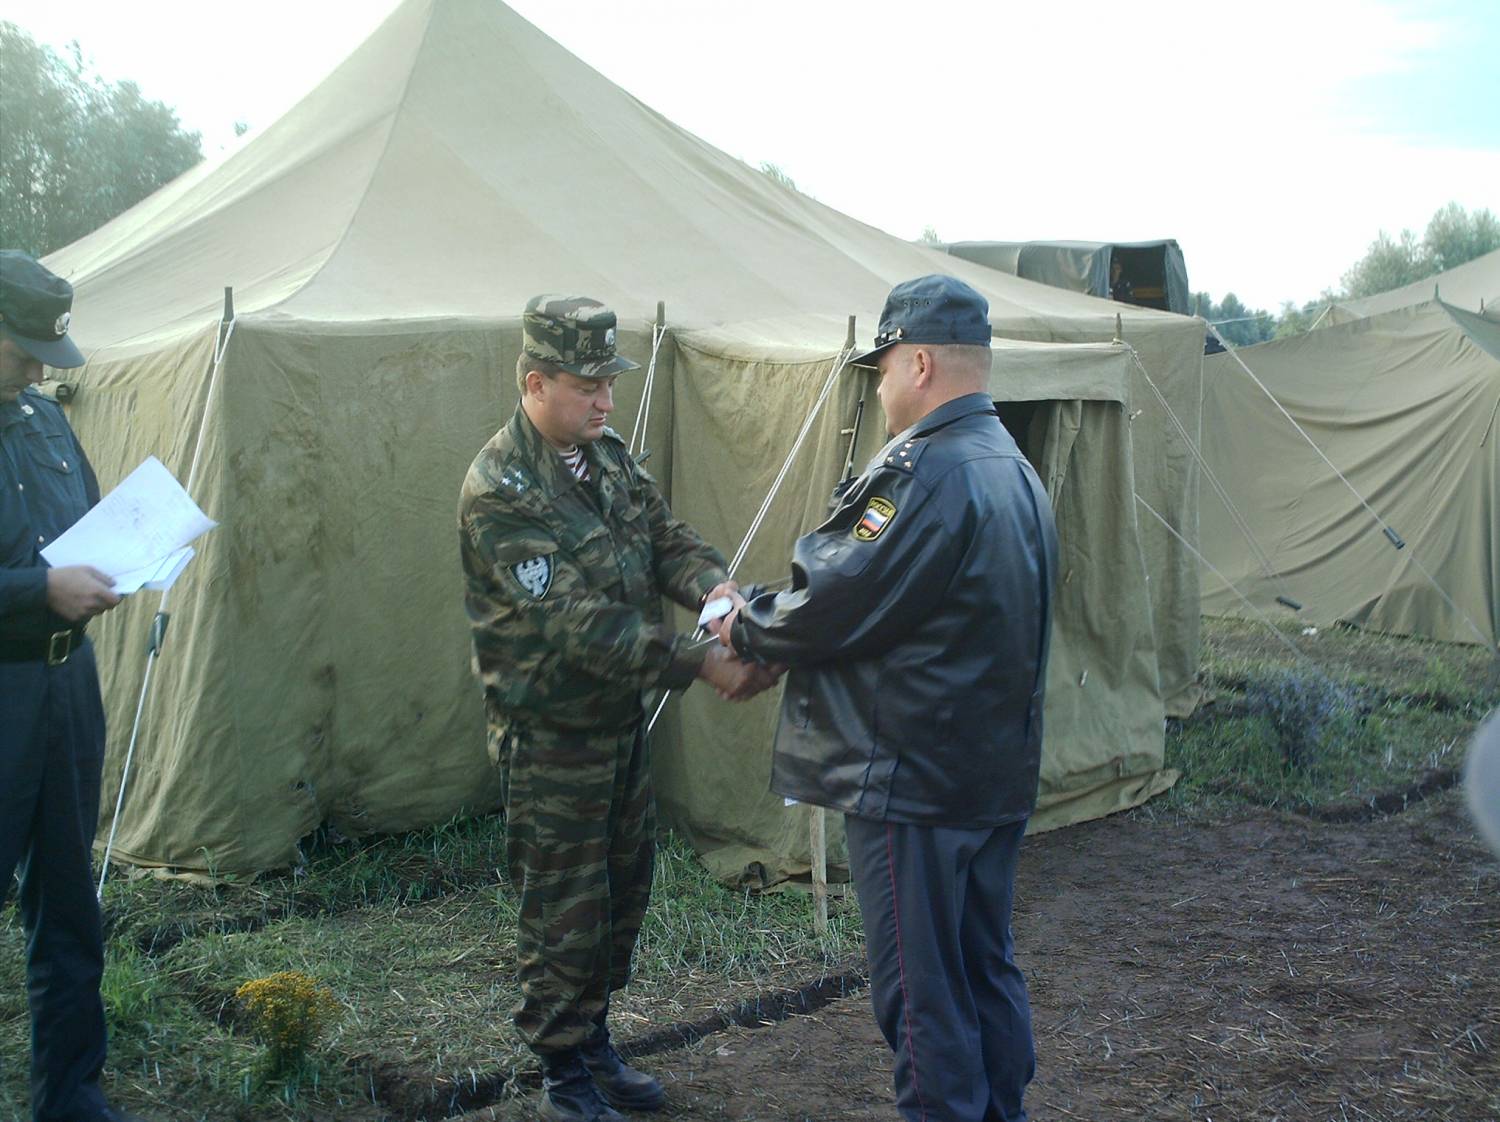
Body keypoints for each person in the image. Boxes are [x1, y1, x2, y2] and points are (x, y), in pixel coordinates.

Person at [710, 274, 1059, 1122]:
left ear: (923, 362)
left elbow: (834, 596)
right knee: (984, 971)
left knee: (923, 995)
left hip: (915, 787)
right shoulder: (1015, 469)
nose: (878, 383)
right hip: (987, 779)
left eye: (885, 365)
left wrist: (743, 627)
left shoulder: (927, 472)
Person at [458, 295, 773, 1122]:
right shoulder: (500, 488)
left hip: (619, 723)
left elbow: (665, 537)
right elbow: (576, 624)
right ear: (535, 382)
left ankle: (594, 1041)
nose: (605, 399)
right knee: (564, 907)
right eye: (587, 383)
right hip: (553, 733)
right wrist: (700, 661)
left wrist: (714, 586)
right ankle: (563, 1071)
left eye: (610, 382)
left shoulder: (607, 458)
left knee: (622, 890)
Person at [1, 251, 144, 1122]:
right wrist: (34, 591)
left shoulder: (48, 425)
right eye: (20, 350)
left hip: (65, 687)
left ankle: (70, 1093)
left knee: (66, 900)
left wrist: (116, 563)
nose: (33, 369)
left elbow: (84, 523)